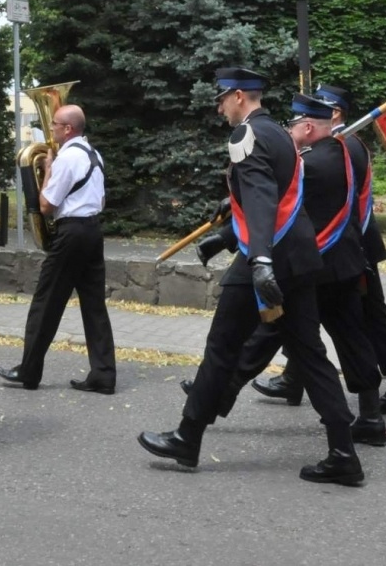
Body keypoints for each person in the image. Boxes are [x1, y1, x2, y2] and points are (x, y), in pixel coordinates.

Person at [138, 67, 364, 487]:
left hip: (268, 258)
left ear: (239, 96)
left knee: (221, 347)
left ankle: (187, 438)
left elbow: (262, 198)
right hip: (299, 257)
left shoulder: (246, 135)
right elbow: (277, 190)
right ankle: (343, 453)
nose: (220, 108)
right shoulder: (277, 132)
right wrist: (228, 228)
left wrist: (259, 259)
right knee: (310, 355)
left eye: (222, 99)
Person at [213, 93, 384, 442]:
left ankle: (218, 391)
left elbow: (276, 200)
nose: (289, 131)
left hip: (318, 266)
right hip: (345, 264)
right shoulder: (341, 150)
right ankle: (370, 417)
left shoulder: (313, 163)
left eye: (292, 125)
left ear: (307, 127)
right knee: (350, 339)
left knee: (273, 330)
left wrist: (230, 220)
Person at [251, 84, 386, 420]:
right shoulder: (337, 144)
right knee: (315, 319)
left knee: (364, 318)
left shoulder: (343, 146)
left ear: (335, 112)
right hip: (342, 246)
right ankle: (294, 380)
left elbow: (312, 191)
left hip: (347, 245)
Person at [0, 103, 115, 393]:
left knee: (45, 302)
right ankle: (103, 375)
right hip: (92, 231)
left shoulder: (67, 158)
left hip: (71, 233)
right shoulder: (94, 155)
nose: (51, 129)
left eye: (55, 125)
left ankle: (29, 371)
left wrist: (48, 170)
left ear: (68, 129)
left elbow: (47, 205)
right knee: (94, 305)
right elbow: (100, 201)